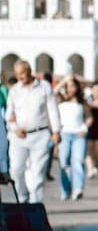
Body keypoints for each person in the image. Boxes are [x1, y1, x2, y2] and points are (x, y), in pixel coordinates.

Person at [6, 61, 61, 203]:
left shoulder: (44, 87)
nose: (20, 77)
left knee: (38, 173)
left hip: (40, 135)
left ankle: (35, 204)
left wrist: (56, 131)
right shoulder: (14, 91)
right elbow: (9, 115)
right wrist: (15, 128)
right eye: (17, 74)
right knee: (16, 170)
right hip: (19, 137)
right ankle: (22, 197)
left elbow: (52, 110)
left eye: (22, 73)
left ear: (30, 71)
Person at [56, 80, 91, 201]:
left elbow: (89, 117)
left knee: (78, 160)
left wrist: (84, 128)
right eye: (69, 86)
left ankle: (78, 189)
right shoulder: (60, 99)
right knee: (64, 161)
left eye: (73, 86)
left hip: (78, 134)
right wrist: (65, 80)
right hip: (64, 134)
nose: (71, 88)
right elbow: (54, 91)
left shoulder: (82, 102)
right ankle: (65, 190)